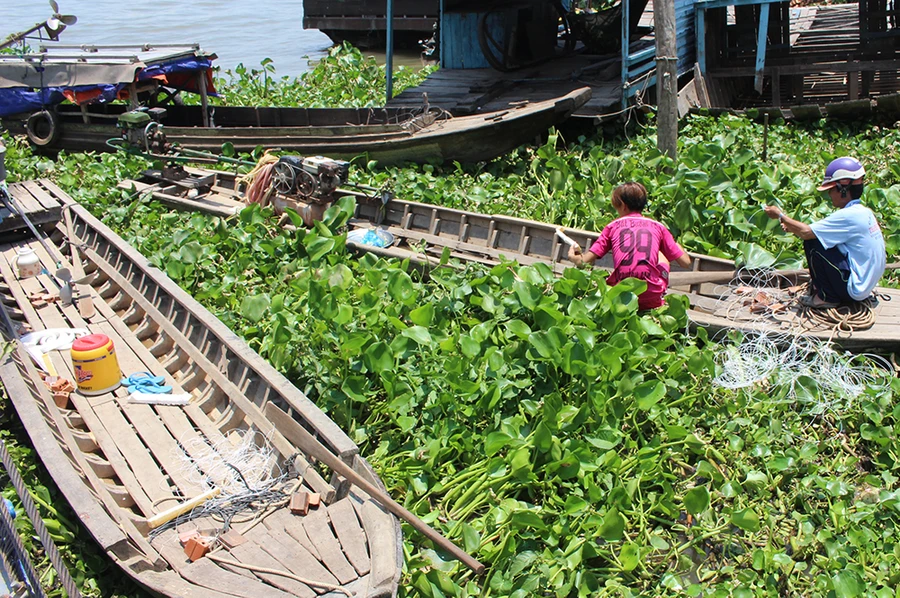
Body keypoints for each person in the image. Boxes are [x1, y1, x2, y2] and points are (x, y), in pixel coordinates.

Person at [764, 156, 885, 309]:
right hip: (864, 286)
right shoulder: (863, 212)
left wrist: (780, 216)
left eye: (831, 189)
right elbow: (815, 231)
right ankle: (829, 292)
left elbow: (807, 233)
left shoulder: (849, 216)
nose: (829, 195)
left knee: (813, 242)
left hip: (854, 289)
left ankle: (827, 297)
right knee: (817, 237)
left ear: (843, 189)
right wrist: (793, 227)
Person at [568, 181, 692, 310]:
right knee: (661, 255)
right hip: (650, 296)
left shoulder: (612, 226)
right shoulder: (659, 227)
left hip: (621, 294)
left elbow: (584, 262)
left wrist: (574, 258)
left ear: (622, 205)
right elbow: (686, 262)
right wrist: (671, 240)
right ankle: (659, 296)